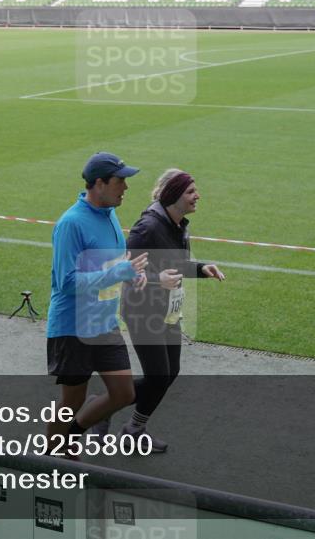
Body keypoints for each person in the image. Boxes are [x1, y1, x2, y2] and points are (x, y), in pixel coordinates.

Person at [46, 152, 149, 457]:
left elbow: (111, 267)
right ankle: (50, 461)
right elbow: (65, 282)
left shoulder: (110, 215)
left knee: (123, 393)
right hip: (73, 326)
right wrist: (117, 273)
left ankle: (71, 434)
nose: (126, 188)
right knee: (71, 401)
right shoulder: (71, 224)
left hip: (104, 323)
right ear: (99, 184)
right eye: (120, 181)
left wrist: (128, 276)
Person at [117, 169, 225, 453]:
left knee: (170, 372)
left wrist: (201, 269)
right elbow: (125, 271)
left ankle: (127, 422)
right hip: (142, 312)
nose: (197, 196)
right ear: (174, 196)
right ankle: (111, 410)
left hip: (167, 311)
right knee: (158, 376)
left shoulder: (179, 224)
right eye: (191, 192)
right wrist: (157, 280)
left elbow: (176, 266)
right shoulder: (148, 228)